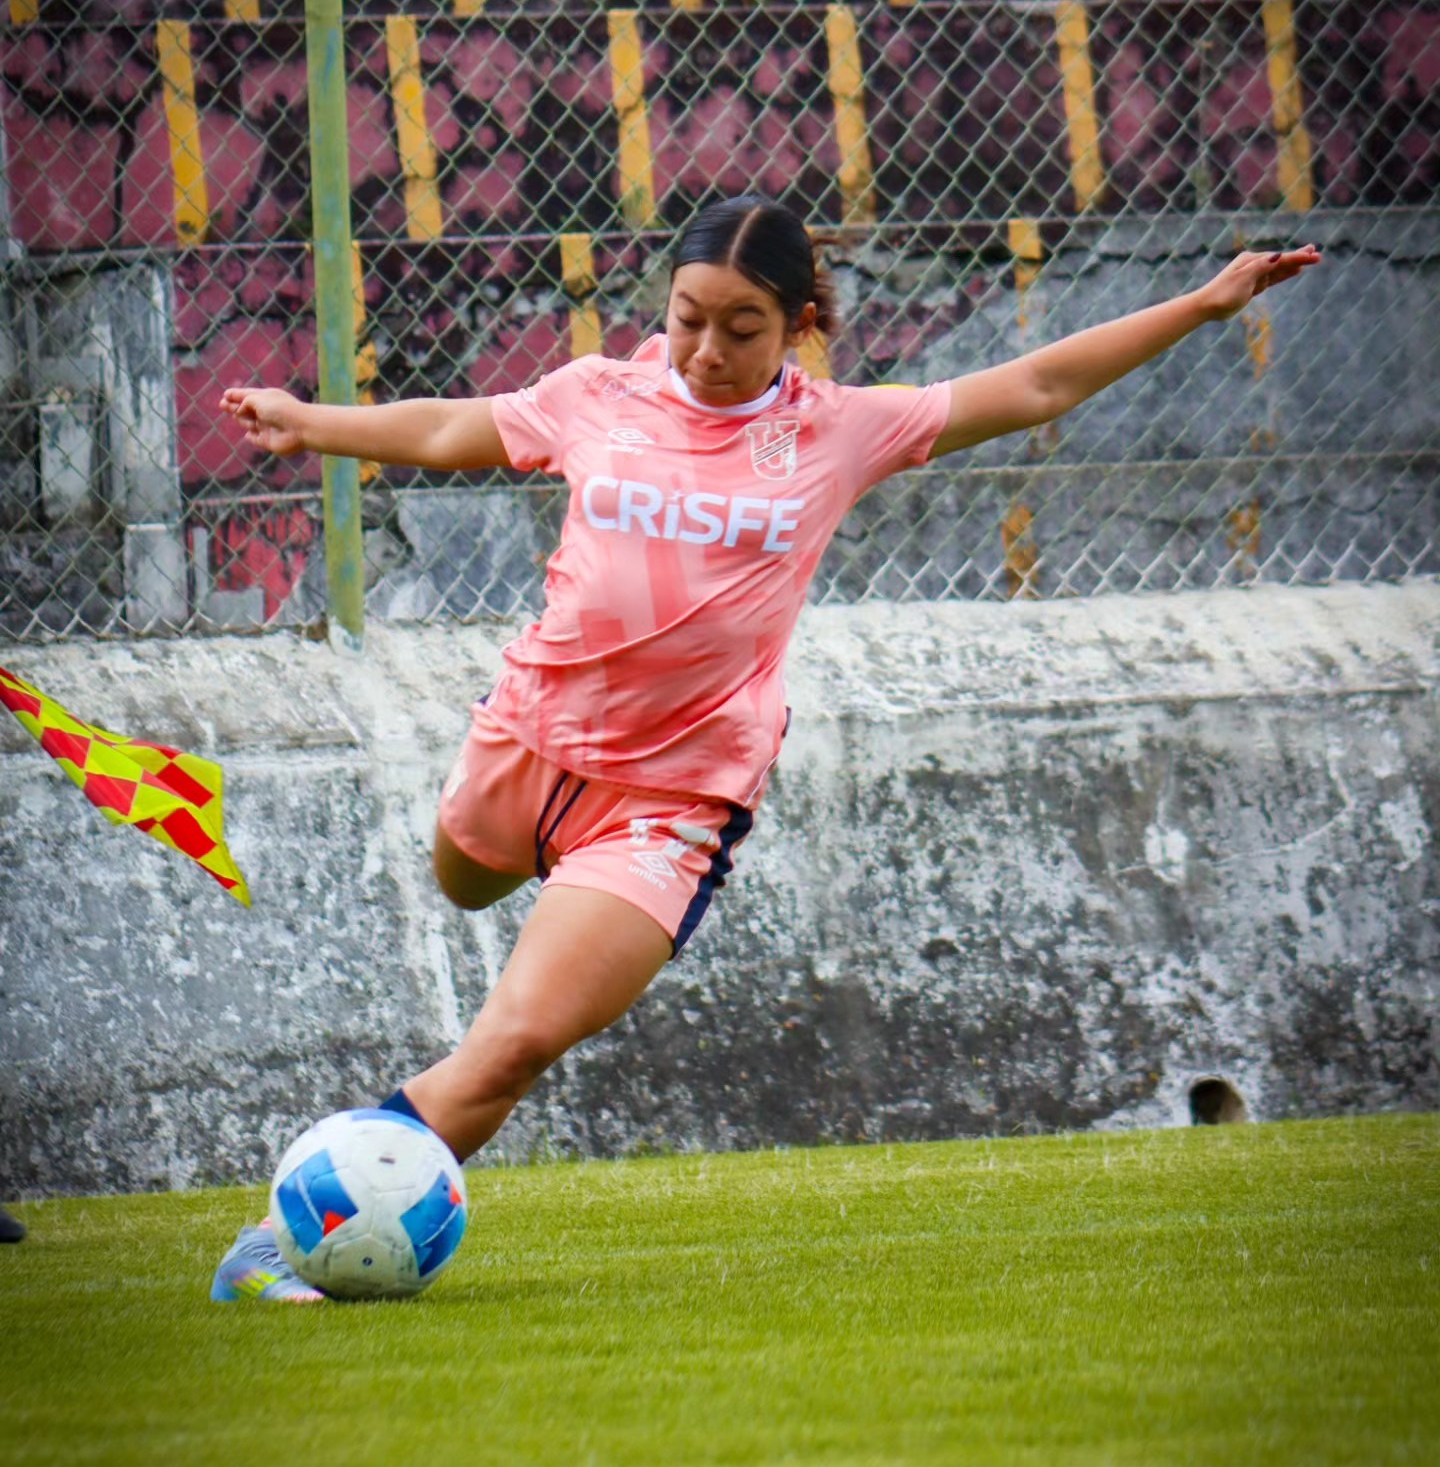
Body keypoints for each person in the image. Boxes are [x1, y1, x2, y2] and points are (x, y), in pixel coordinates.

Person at [209, 198, 1320, 1300]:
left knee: (513, 1043)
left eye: (742, 328)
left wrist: (1204, 303)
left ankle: (276, 1243)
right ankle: (399, 1111)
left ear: (800, 322)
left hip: (670, 803)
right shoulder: (601, 393)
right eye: (689, 317)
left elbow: (1035, 386)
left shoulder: (839, 428)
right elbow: (457, 430)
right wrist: (312, 421)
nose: (707, 349)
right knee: (463, 883)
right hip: (524, 742)